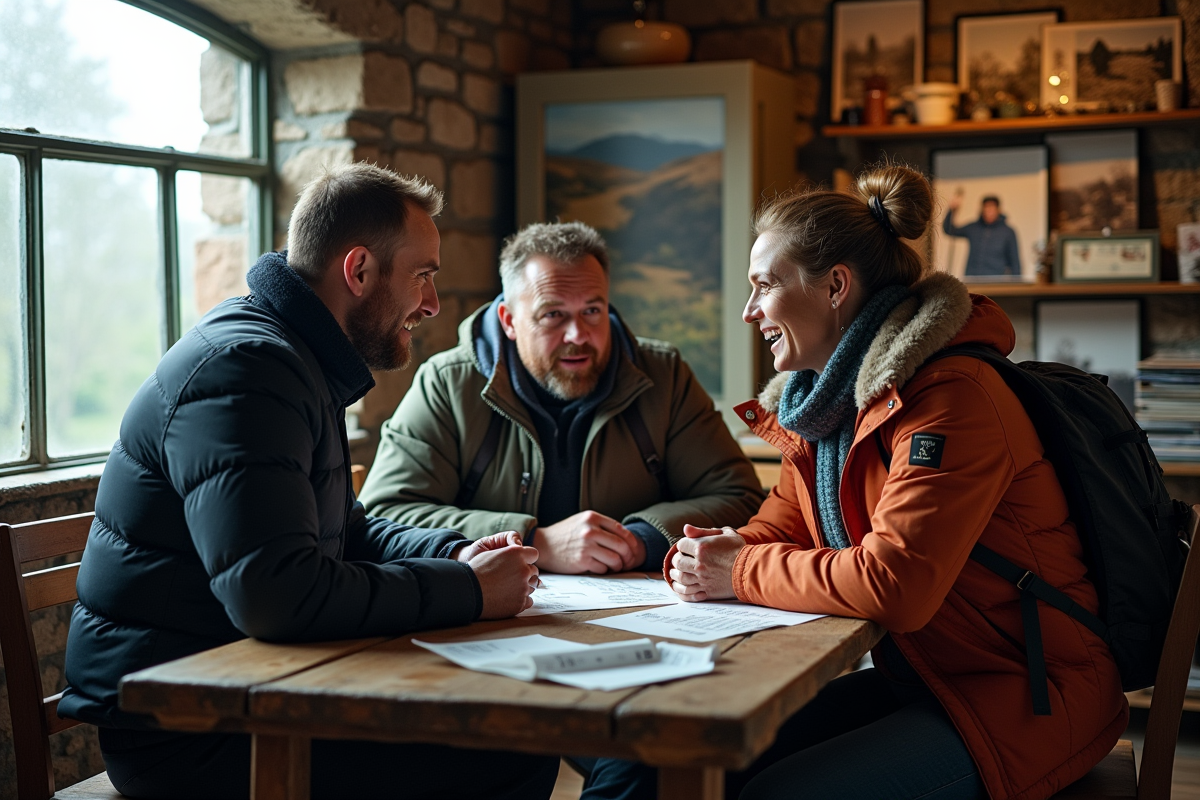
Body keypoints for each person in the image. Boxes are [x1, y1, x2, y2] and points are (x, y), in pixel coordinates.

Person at [58, 163, 558, 800]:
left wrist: (455, 554)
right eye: (423, 276)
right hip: (189, 733)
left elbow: (344, 531)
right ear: (358, 271)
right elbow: (276, 593)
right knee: (509, 753)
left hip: (259, 693)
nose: (432, 304)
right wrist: (467, 589)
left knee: (509, 735)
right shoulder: (245, 369)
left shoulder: (289, 357)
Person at [664, 165, 1126, 799]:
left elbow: (894, 584)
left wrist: (739, 569)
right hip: (929, 677)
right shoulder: (823, 408)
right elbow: (776, 532)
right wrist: (701, 556)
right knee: (679, 759)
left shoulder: (951, 398)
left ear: (835, 287)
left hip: (1029, 695)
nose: (750, 312)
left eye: (764, 285)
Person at [359, 220, 764, 577]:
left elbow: (739, 497)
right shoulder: (447, 383)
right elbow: (385, 514)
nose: (578, 335)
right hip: (492, 616)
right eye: (553, 315)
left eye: (592, 310)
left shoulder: (665, 376)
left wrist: (641, 538)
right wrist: (536, 541)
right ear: (510, 321)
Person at [943, 193, 1021, 277]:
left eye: (992, 208)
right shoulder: (974, 228)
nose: (989, 212)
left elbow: (1015, 261)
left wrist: (1016, 284)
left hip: (997, 281)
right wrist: (952, 210)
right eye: (986, 208)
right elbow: (949, 230)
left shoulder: (1007, 232)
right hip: (972, 279)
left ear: (998, 210)